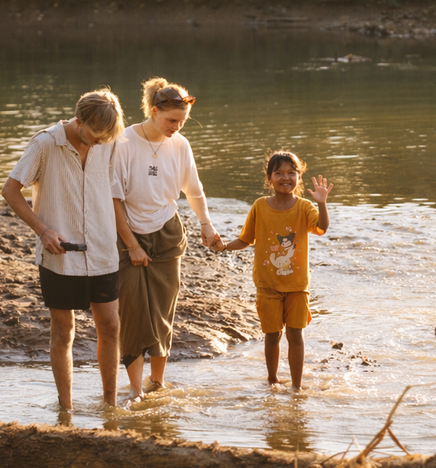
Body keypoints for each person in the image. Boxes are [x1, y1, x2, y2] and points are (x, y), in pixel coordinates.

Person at [1, 89, 126, 412]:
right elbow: (10, 190)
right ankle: (66, 410)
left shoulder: (108, 142)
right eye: (95, 135)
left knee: (111, 327)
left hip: (102, 251)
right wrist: (43, 231)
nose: (100, 142)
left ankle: (110, 407)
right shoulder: (45, 143)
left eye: (106, 137)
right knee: (64, 331)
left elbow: (115, 191)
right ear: (79, 121)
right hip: (60, 256)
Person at [112, 77, 223, 400]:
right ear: (153, 111)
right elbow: (113, 199)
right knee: (132, 312)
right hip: (128, 234)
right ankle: (136, 391)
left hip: (167, 234)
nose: (177, 127)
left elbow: (194, 190)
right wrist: (132, 245)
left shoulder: (180, 145)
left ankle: (157, 383)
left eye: (182, 122)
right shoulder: (123, 142)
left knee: (163, 312)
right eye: (172, 120)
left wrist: (206, 224)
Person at [223, 151, 332, 389]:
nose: (285, 178)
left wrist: (322, 203)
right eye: (279, 173)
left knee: (295, 335)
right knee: (272, 335)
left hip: (297, 286)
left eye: (291, 173)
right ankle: (272, 381)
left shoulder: (304, 207)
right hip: (268, 285)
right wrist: (224, 246)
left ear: (299, 177)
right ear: (269, 177)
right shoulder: (260, 206)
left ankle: (296, 387)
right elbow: (246, 239)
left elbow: (322, 228)